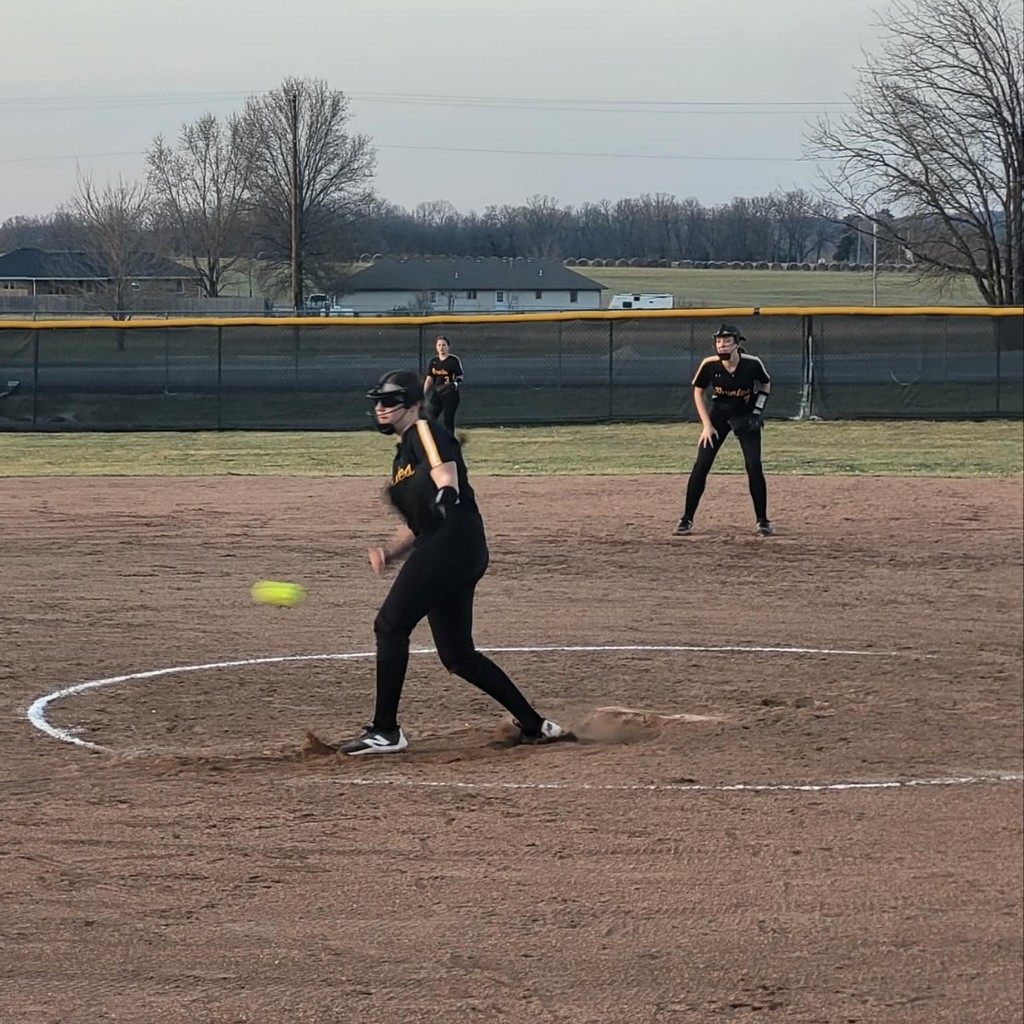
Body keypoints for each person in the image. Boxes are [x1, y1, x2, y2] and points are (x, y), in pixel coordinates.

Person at [338, 369, 570, 755]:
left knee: (390, 625)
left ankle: (385, 731)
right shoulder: (404, 455)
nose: (381, 408)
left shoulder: (425, 432)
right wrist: (391, 553)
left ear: (411, 405)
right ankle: (534, 724)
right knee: (458, 655)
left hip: (452, 543)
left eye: (390, 402)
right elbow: (424, 522)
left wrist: (446, 492)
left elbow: (447, 477)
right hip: (457, 546)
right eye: (377, 402)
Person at [673, 323, 774, 537]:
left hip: (745, 415)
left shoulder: (752, 363)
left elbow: (765, 384)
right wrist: (707, 426)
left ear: (737, 344)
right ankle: (686, 518)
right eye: (719, 342)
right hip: (718, 415)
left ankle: (762, 520)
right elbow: (698, 392)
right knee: (702, 464)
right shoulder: (709, 364)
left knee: (753, 465)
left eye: (727, 341)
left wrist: (757, 411)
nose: (722, 346)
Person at [423, 335, 464, 432]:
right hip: (437, 393)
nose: (441, 347)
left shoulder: (453, 360)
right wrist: (423, 393)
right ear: (436, 347)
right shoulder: (434, 361)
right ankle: (432, 441)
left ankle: (449, 443)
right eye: (439, 345)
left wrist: (455, 384)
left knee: (448, 420)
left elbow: (460, 376)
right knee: (431, 419)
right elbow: (429, 379)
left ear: (448, 347)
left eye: (444, 345)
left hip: (450, 394)